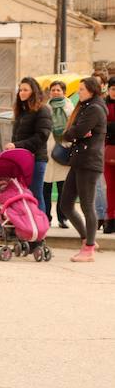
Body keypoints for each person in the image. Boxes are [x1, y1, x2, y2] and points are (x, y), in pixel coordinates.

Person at [60, 77, 108, 262]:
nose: (78, 93)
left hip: (89, 162)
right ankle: (87, 239)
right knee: (65, 204)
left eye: (81, 90)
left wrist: (75, 133)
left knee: (87, 205)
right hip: (79, 160)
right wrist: (74, 132)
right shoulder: (87, 107)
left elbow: (76, 132)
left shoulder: (94, 108)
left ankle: (88, 249)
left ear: (91, 91)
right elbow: (74, 131)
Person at [4, 77, 51, 212]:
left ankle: (40, 227)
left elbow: (42, 136)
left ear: (33, 92)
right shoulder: (21, 111)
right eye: (20, 90)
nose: (22, 93)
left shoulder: (43, 110)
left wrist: (16, 145)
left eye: (26, 90)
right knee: (22, 194)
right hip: (21, 159)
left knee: (35, 194)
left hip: (36, 159)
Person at [43, 81, 74, 228]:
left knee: (63, 188)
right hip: (48, 151)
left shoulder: (70, 108)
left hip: (63, 149)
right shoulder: (44, 108)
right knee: (46, 188)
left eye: (58, 90)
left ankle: (63, 218)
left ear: (64, 92)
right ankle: (46, 217)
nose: (55, 92)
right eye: (53, 90)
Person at [105, 77, 115, 234]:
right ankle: (111, 219)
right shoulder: (103, 105)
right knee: (110, 187)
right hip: (108, 151)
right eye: (112, 88)